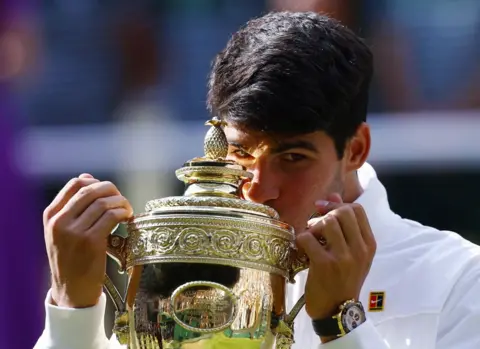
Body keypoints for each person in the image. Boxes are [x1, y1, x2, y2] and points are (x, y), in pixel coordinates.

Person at [34, 11, 480, 349]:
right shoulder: (180, 266)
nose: (259, 188)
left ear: (356, 149)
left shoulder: (459, 276)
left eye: (292, 156)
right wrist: (73, 306)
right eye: (242, 152)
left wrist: (341, 324)